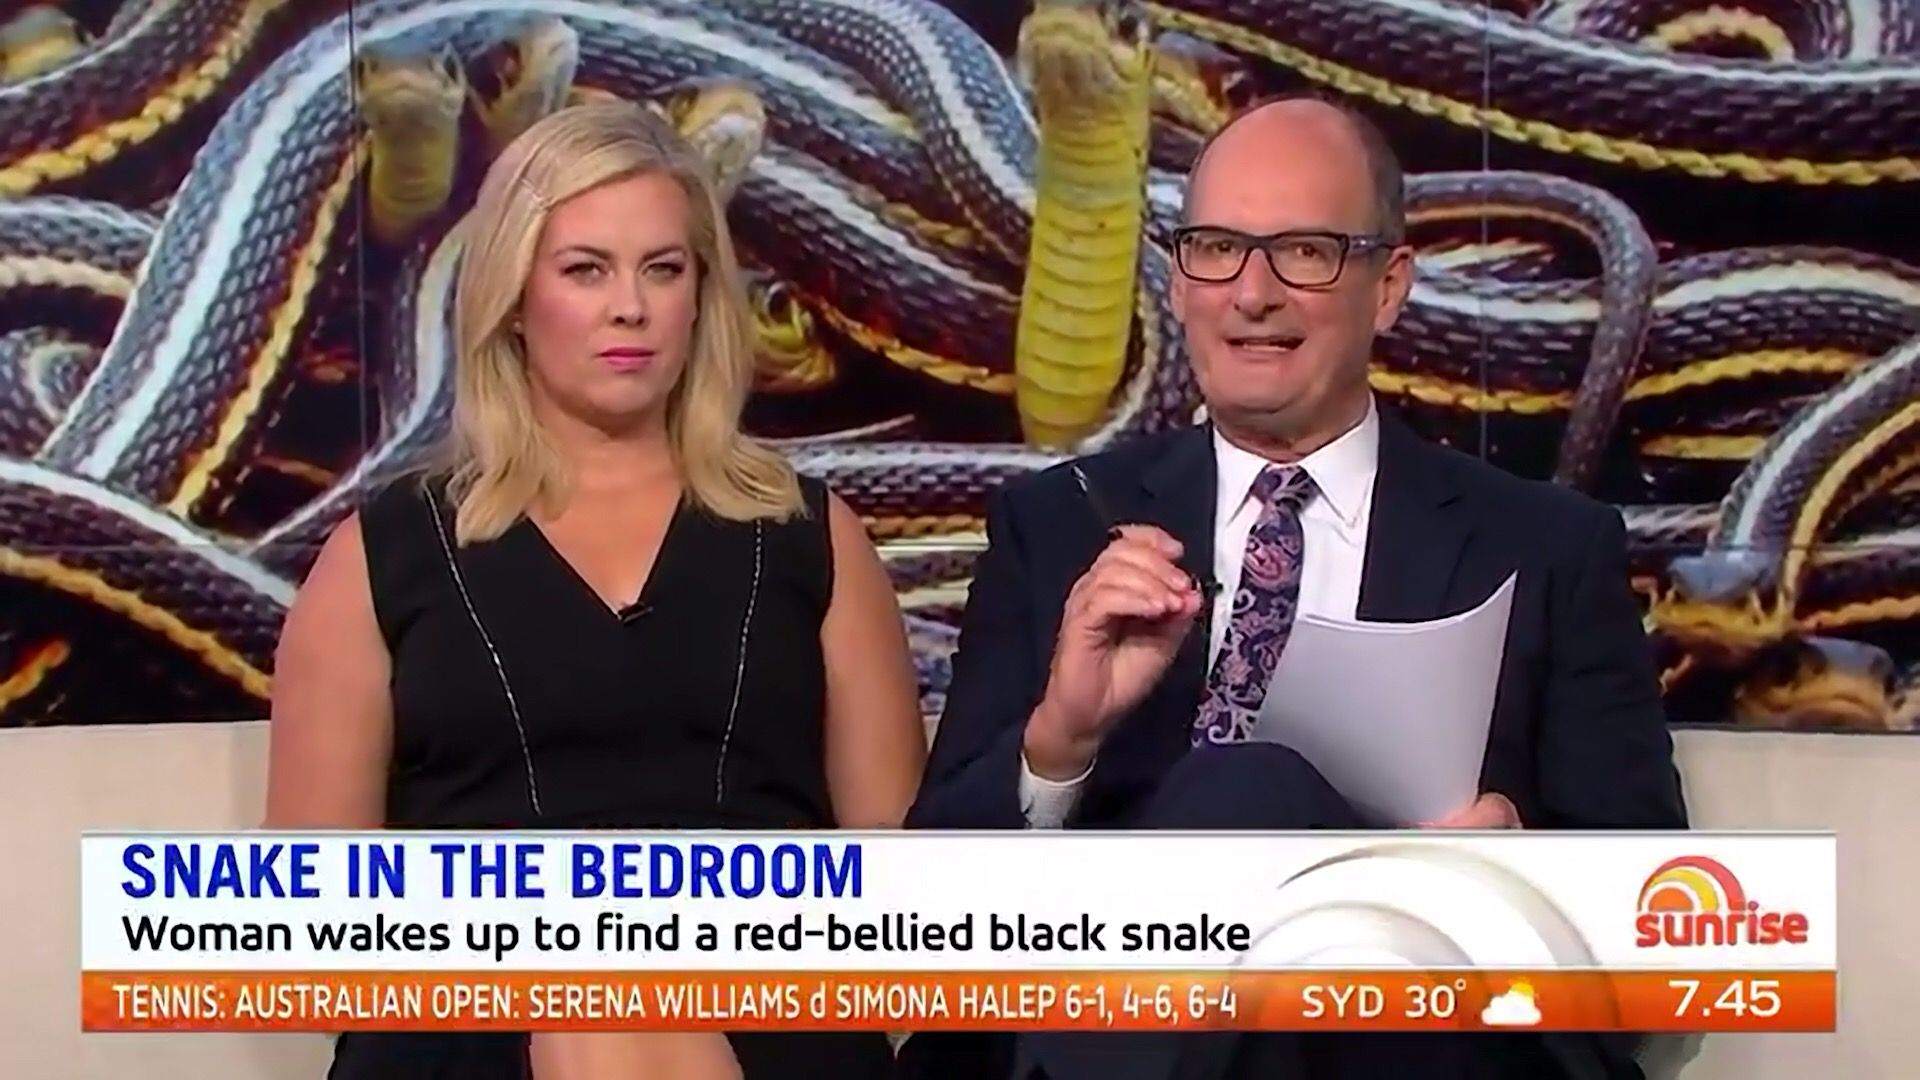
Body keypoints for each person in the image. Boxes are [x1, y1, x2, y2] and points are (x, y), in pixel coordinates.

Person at [902, 93, 1688, 1079]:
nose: (1253, 293)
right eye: (1217, 249)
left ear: (1388, 287)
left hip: (1405, 1039)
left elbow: (1661, 942)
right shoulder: (1056, 525)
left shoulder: (1545, 548)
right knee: (1245, 790)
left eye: (1305, 252)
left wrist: (1512, 882)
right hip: (1105, 1030)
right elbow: (919, 925)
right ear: (1178, 281)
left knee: (1254, 787)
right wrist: (1059, 743)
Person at [265, 101, 926, 1080]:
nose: (631, 307)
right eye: (586, 270)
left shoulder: (810, 540)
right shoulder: (383, 558)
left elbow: (900, 909)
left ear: (702, 296)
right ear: (512, 297)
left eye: (663, 269)